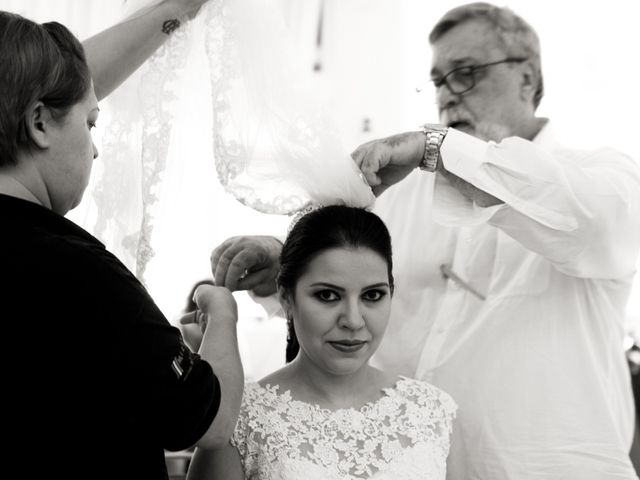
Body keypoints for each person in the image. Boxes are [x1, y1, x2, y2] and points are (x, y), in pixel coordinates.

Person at [210, 3, 640, 479]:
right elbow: (355, 309)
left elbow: (595, 225)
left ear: (528, 78)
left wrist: (440, 149)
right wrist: (284, 273)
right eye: (438, 80)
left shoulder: (605, 178)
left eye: (466, 74)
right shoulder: (402, 197)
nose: (448, 96)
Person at [0, 11, 243, 479]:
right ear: (39, 124)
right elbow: (206, 424)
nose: (95, 149)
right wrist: (224, 314)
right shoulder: (77, 271)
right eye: (90, 123)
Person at [188, 205, 456, 480]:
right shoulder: (239, 421)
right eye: (328, 295)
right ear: (286, 298)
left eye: (372, 295)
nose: (353, 320)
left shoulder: (432, 410)